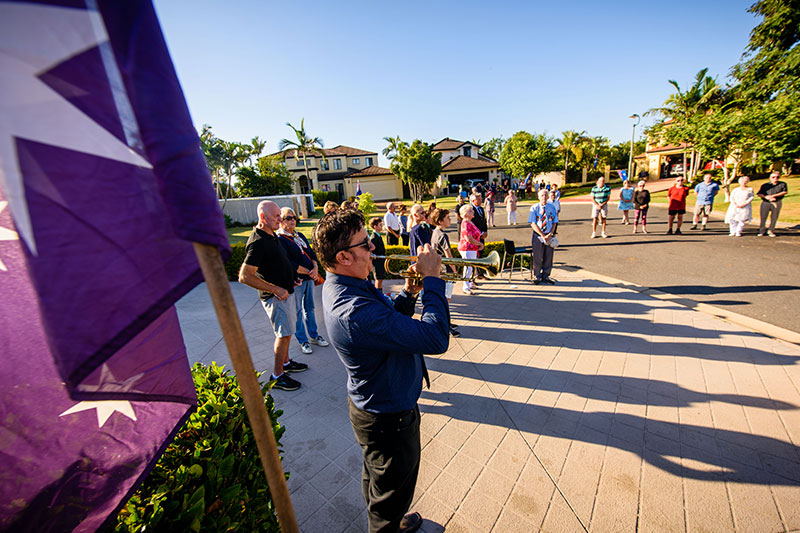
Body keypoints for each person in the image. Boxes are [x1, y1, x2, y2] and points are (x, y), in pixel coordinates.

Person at [313, 209, 449, 533]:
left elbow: (390, 323)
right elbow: (435, 337)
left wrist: (410, 292)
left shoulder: (350, 283)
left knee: (379, 480)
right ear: (344, 256)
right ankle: (388, 524)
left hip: (376, 409)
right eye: (366, 244)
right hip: (389, 418)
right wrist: (433, 282)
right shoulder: (353, 308)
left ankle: (390, 514)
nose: (374, 247)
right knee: (390, 494)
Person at [238, 201, 307, 391]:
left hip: (286, 292)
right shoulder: (258, 242)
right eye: (276, 216)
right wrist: (276, 289)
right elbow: (244, 276)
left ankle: (285, 363)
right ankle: (277, 376)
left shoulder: (271, 235)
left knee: (287, 332)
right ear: (263, 217)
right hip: (277, 298)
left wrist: (290, 279)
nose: (281, 219)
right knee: (283, 335)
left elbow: (277, 264)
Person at [276, 207, 329, 356]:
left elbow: (311, 253)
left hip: (309, 278)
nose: (292, 220)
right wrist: (309, 272)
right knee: (298, 311)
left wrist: (315, 267)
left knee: (310, 308)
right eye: (288, 218)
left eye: (294, 217)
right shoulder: (280, 239)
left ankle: (314, 335)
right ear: (280, 221)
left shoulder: (299, 235)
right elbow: (288, 262)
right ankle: (302, 340)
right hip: (297, 280)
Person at [430, 208, 461, 337]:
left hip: (439, 269)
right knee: (445, 300)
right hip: (445, 271)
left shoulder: (435, 232)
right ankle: (445, 325)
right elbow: (449, 256)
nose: (450, 220)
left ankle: (447, 322)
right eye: (448, 218)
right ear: (440, 221)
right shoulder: (443, 235)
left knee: (444, 299)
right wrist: (455, 271)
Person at [529, 189, 559, 284]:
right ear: (538, 197)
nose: (544, 197)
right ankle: (537, 276)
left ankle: (546, 275)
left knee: (548, 256)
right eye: (542, 195)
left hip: (549, 234)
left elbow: (554, 222)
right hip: (538, 235)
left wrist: (550, 234)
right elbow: (533, 223)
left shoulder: (552, 207)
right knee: (538, 256)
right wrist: (542, 235)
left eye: (546, 195)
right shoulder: (534, 208)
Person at [457, 204, 483, 295]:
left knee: (471, 267)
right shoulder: (465, 223)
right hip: (467, 248)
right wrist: (479, 244)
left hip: (472, 248)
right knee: (468, 267)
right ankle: (465, 287)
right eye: (471, 211)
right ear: (466, 214)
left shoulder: (470, 222)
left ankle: (470, 283)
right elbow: (469, 238)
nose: (473, 212)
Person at [757, 171, 788, 237]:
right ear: (770, 178)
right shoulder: (765, 185)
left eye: (777, 177)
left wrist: (773, 196)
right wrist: (766, 197)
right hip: (766, 202)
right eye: (773, 177)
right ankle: (762, 231)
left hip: (776, 202)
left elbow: (784, 192)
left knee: (774, 217)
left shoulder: (782, 184)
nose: (775, 178)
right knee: (763, 217)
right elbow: (759, 193)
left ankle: (771, 231)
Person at [368, 217, 387, 290]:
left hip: (381, 261)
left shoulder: (378, 236)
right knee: (378, 279)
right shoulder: (373, 237)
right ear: (375, 226)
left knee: (380, 278)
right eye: (380, 225)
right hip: (377, 262)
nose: (381, 226)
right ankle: (379, 294)